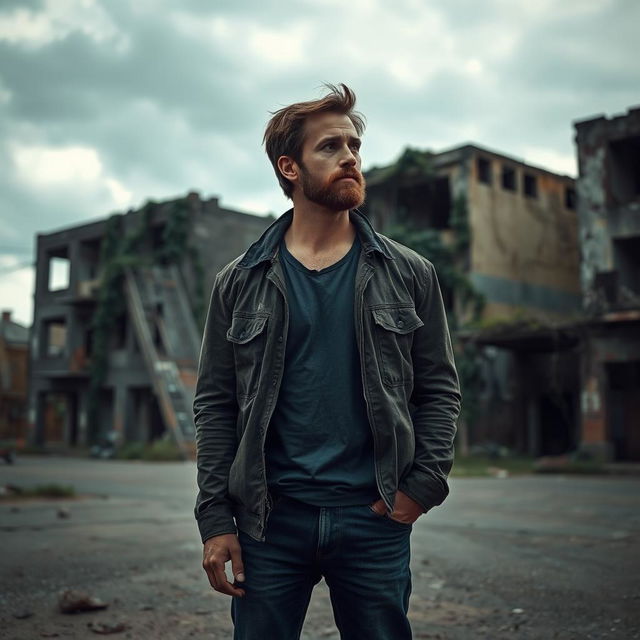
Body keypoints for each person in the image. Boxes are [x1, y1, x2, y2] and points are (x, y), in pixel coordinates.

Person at [193, 83, 462, 640]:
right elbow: (215, 405)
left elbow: (438, 389)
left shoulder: (411, 274)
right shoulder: (239, 282)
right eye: (331, 147)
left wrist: (423, 485)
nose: (351, 159)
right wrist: (216, 519)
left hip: (374, 517)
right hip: (270, 522)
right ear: (289, 167)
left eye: (355, 146)